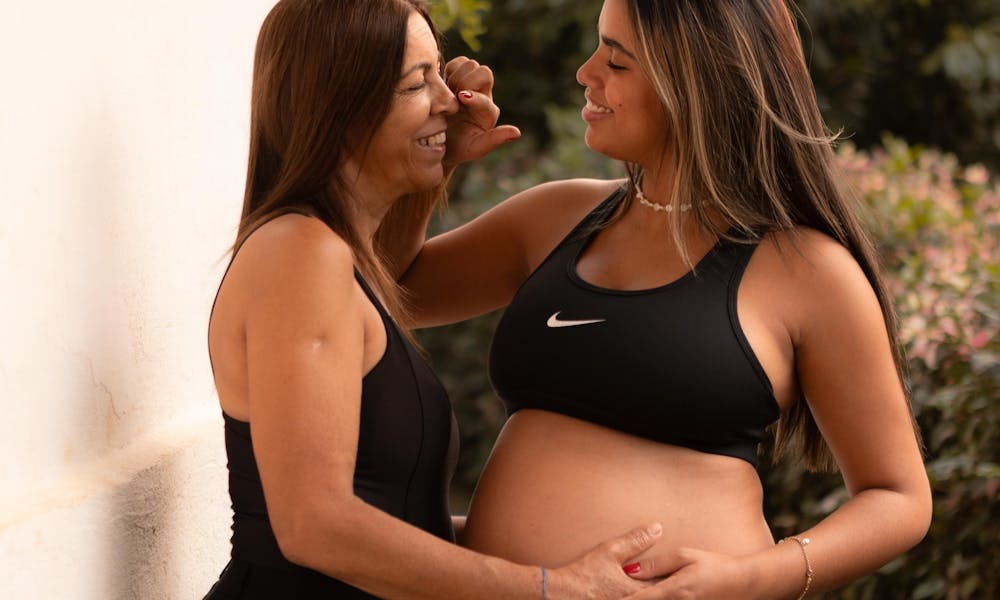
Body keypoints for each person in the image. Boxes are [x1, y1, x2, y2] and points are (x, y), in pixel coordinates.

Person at [397, 0, 933, 597]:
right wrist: (432, 159)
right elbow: (388, 289)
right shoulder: (555, 217)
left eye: (617, 62)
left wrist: (758, 576)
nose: (585, 72)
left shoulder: (807, 271)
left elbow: (899, 497)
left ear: (697, 85)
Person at [202, 0, 666, 598]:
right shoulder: (301, 253)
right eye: (419, 84)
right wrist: (548, 587)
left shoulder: (332, 258)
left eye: (440, 77)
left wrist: (543, 543)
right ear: (340, 107)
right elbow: (314, 527)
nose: (450, 101)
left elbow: (392, 513)